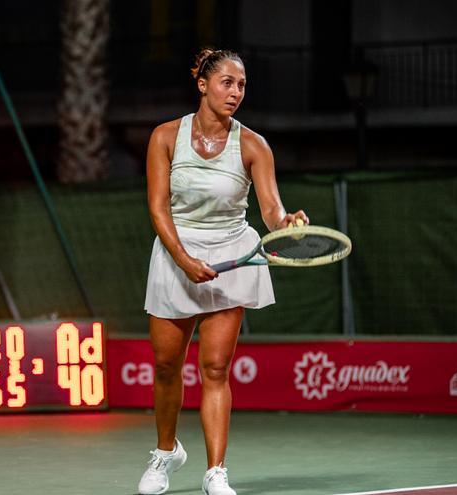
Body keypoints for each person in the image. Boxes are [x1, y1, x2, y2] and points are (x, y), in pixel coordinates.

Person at [137, 49, 309, 495]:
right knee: (166, 366)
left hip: (233, 254)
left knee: (215, 369)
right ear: (203, 85)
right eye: (227, 83)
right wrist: (183, 259)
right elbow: (158, 209)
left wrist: (286, 223)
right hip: (177, 254)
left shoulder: (253, 145)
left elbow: (271, 209)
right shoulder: (164, 137)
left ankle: (216, 471)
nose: (236, 92)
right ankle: (165, 452)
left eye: (242, 85)